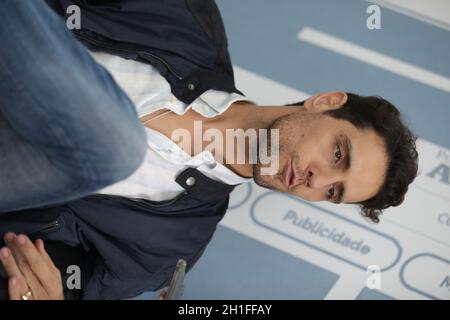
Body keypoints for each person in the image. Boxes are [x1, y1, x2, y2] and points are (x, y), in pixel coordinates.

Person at [0, 0, 418, 300]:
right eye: (338, 155)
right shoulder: (185, 17)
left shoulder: (170, 250)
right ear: (325, 102)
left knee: (114, 151)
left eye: (332, 192)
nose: (317, 180)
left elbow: (44, 277)